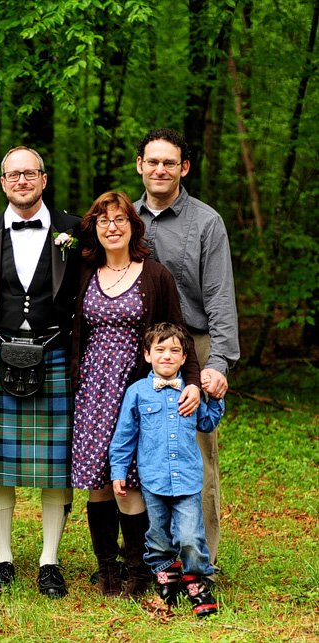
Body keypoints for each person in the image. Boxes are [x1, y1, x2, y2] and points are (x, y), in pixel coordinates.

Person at [0, 146, 81, 598]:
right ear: (3, 182)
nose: (22, 181)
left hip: (53, 354)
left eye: (31, 173)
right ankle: (2, 559)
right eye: (14, 175)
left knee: (57, 466)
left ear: (44, 180)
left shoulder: (74, 230)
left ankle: (49, 561)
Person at [70, 191, 201, 599]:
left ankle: (140, 571)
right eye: (104, 220)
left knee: (133, 482)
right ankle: (107, 571)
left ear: (133, 226)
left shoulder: (156, 275)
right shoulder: (83, 272)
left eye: (120, 219)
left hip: (140, 392)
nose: (112, 227)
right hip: (92, 391)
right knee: (100, 480)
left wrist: (193, 380)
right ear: (93, 227)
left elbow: (179, 334)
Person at [133, 128, 239, 579]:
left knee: (196, 455)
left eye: (169, 163)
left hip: (190, 346)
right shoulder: (122, 217)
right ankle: (149, 558)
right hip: (133, 349)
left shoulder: (205, 222)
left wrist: (217, 363)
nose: (160, 170)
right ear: (140, 165)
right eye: (152, 161)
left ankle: (199, 560)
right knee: (139, 452)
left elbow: (220, 296)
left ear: (184, 168)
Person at [111, 322, 224, 618]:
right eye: (159, 350)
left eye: (175, 350)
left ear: (185, 358)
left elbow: (207, 424)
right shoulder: (137, 393)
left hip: (187, 480)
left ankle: (196, 581)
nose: (167, 356)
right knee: (158, 537)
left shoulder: (191, 392)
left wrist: (215, 398)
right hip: (154, 480)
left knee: (190, 537)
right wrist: (118, 471)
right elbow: (124, 435)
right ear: (147, 355)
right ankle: (167, 581)